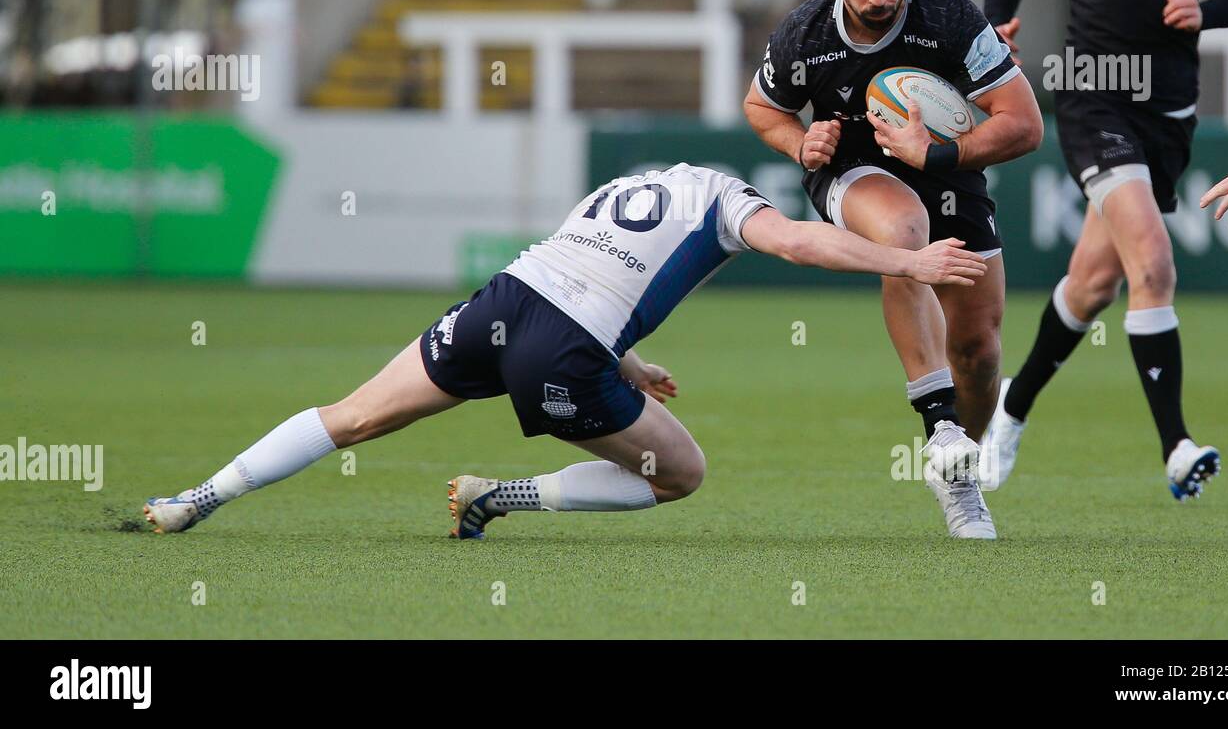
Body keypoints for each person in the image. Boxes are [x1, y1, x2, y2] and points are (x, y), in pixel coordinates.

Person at [143, 163, 989, 540]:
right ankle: (494, 495)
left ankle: (197, 496)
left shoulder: (624, 188)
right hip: (564, 350)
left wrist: (627, 365)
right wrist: (907, 260)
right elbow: (805, 245)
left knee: (353, 416)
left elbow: (577, 275)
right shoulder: (728, 202)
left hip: (500, 306)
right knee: (681, 473)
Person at [980, 0, 1228, 499]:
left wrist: (1203, 11)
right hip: (1091, 102)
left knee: (1094, 282)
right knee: (1155, 265)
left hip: (1167, 114)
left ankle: (1012, 406)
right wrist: (997, 32)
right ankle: (1176, 446)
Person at [744, 0, 1042, 536]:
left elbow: (1024, 126)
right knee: (906, 232)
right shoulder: (805, 33)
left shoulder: (949, 15)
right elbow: (761, 108)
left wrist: (938, 154)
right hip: (854, 172)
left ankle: (955, 472)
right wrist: (802, 141)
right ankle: (937, 424)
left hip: (947, 168)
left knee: (980, 351)